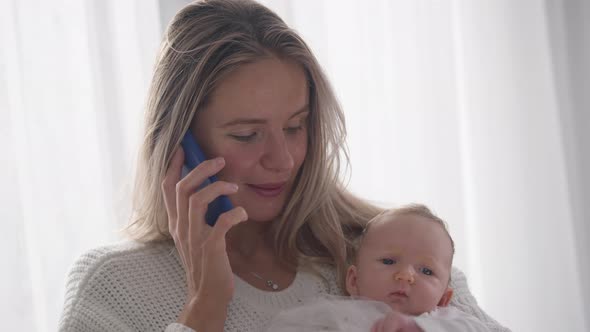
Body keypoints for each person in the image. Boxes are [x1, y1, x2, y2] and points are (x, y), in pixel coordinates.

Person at [58, 1, 510, 331]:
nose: (284, 159)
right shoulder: (114, 288)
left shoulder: (394, 253)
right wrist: (205, 305)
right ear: (181, 144)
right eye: (246, 134)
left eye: (296, 126)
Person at [267, 204, 490, 332]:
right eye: (388, 261)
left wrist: (417, 327)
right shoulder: (334, 315)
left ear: (443, 299)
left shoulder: (448, 320)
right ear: (354, 281)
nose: (405, 275)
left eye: (427, 271)